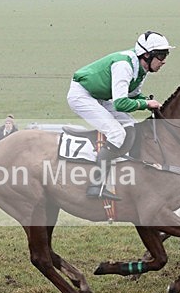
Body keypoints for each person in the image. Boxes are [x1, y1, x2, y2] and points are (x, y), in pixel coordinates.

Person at [67, 30, 173, 199]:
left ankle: (121, 170)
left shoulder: (142, 69)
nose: (164, 61)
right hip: (82, 95)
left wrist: (147, 102)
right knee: (117, 133)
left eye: (165, 55)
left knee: (129, 127)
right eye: (161, 55)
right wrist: (146, 103)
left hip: (100, 96)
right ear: (146, 55)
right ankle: (96, 185)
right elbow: (121, 103)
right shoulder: (124, 66)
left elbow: (132, 95)